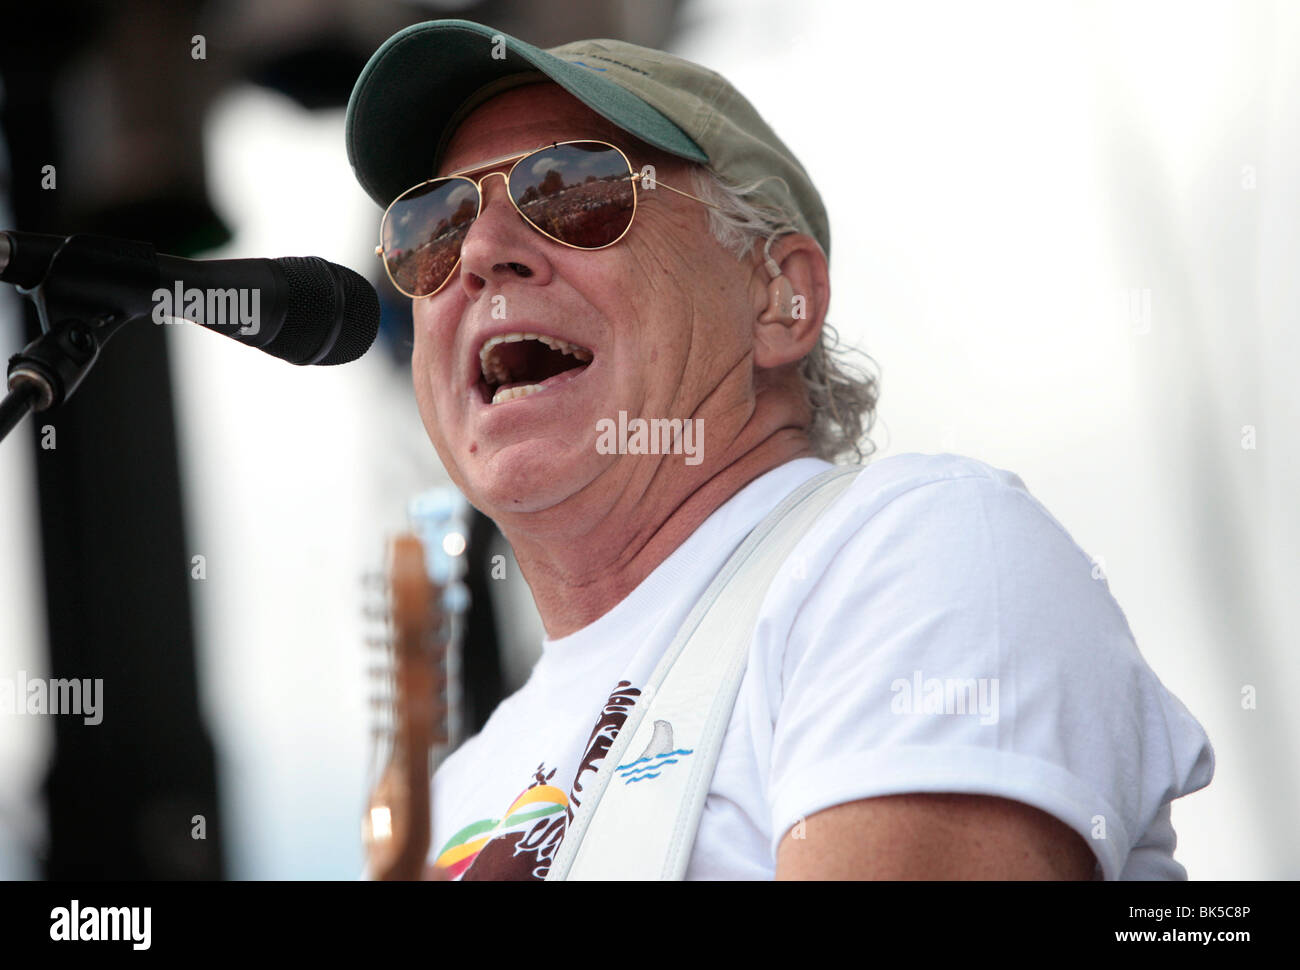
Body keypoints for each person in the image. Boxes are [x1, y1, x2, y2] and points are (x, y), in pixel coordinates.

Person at [345, 19, 1214, 880]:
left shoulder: (913, 551)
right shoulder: (455, 796)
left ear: (780, 299)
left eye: (573, 192)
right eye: (435, 227)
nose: (484, 254)